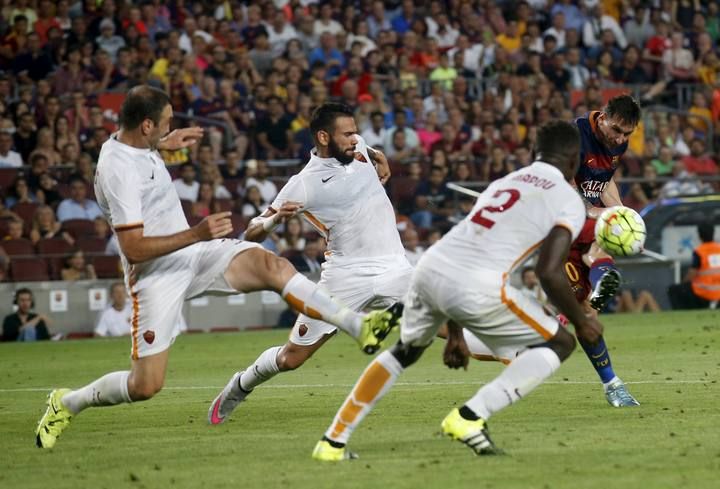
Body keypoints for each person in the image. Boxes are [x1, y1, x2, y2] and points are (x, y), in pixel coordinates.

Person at [35, 86, 394, 450]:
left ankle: (358, 326)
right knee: (144, 386)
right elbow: (133, 247)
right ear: (146, 125)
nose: (170, 126)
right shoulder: (118, 172)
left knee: (270, 264)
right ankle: (66, 402)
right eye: (165, 123)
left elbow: (137, 146)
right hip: (156, 273)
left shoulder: (132, 143)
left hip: (194, 253)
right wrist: (196, 232)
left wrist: (164, 143)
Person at [311, 120, 603, 461]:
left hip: (430, 268)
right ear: (574, 160)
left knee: (405, 351)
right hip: (477, 282)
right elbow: (549, 272)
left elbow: (468, 246)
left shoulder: (504, 183)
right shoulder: (566, 197)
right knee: (562, 342)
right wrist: (583, 321)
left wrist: (454, 336)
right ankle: (469, 418)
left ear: (532, 153)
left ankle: (332, 441)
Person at [208, 102, 412, 426]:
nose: (354, 138)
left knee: (442, 318)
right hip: (344, 277)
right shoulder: (303, 183)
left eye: (354, 132)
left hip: (395, 267)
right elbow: (250, 232)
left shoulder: (356, 146)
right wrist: (276, 218)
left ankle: (514, 356)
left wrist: (378, 155)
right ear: (323, 137)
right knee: (292, 358)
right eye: (346, 133)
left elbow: (364, 146)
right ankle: (241, 384)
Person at [561, 94, 642, 407]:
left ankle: (613, 385)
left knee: (587, 314)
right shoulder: (574, 136)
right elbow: (564, 189)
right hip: (554, 222)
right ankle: (600, 279)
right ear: (604, 116)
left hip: (584, 222)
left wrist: (623, 214)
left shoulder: (616, 142)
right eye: (617, 130)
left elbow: (605, 183)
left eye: (627, 134)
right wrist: (604, 216)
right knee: (583, 314)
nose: (620, 138)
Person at [668, 223, 720, 309]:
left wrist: (683, 283)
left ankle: (684, 313)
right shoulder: (718, 249)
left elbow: (692, 274)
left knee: (674, 290)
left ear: (699, 235)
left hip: (705, 292)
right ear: (713, 233)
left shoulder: (700, 251)